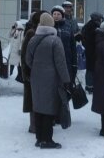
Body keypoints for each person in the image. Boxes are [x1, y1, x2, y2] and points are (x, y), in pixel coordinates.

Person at [26, 12, 71, 149]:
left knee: (38, 108)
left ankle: (39, 138)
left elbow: (28, 60)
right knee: (49, 110)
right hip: (51, 80)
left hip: (36, 79)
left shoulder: (34, 38)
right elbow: (61, 63)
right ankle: (47, 140)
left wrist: (37, 69)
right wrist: (66, 80)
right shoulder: (55, 40)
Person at [20, 11, 46, 134]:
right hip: (32, 73)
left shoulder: (44, 32)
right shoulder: (31, 33)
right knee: (33, 100)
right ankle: (34, 126)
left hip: (41, 73)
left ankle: (40, 124)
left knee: (40, 99)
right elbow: (25, 55)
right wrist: (27, 74)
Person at [52, 5, 77, 83]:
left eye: (58, 14)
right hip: (52, 60)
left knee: (66, 82)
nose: (56, 16)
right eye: (54, 14)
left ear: (62, 15)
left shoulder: (68, 27)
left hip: (67, 59)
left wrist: (74, 63)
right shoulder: (49, 27)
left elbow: (73, 46)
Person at [82, 12, 103, 94]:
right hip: (93, 50)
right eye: (100, 18)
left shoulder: (88, 25)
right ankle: (90, 86)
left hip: (89, 50)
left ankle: (89, 86)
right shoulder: (95, 26)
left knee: (90, 68)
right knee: (92, 69)